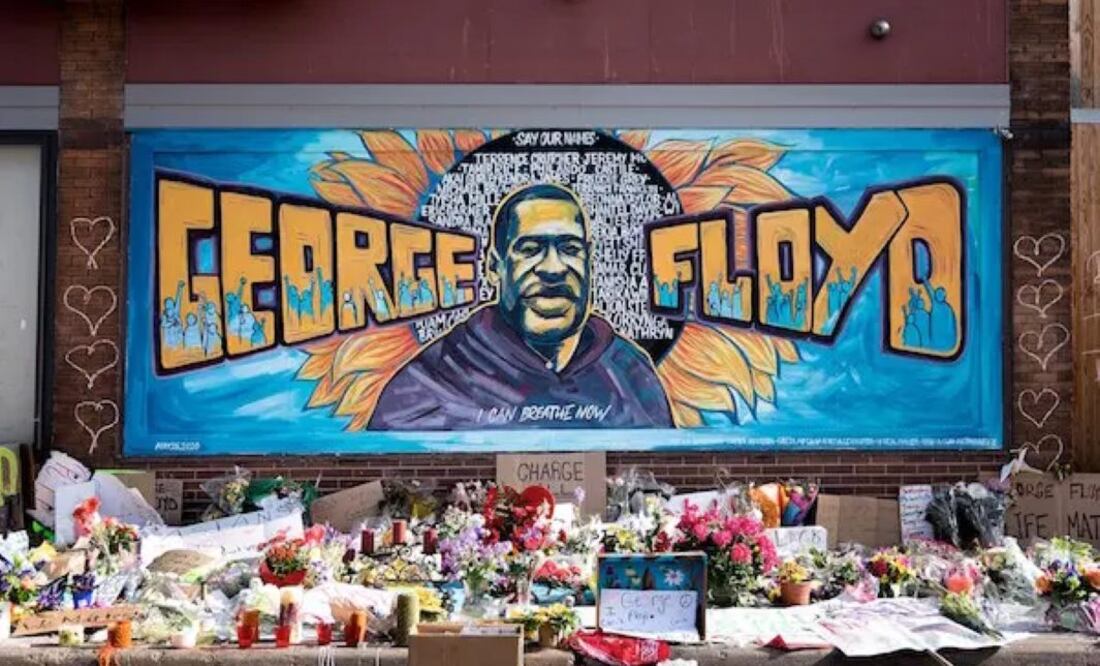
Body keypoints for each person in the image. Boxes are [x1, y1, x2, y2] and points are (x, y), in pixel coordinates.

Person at [369, 182, 673, 430]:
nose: (553, 268)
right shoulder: (431, 381)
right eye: (530, 249)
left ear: (589, 261)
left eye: (570, 248)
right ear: (494, 267)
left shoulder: (629, 371)